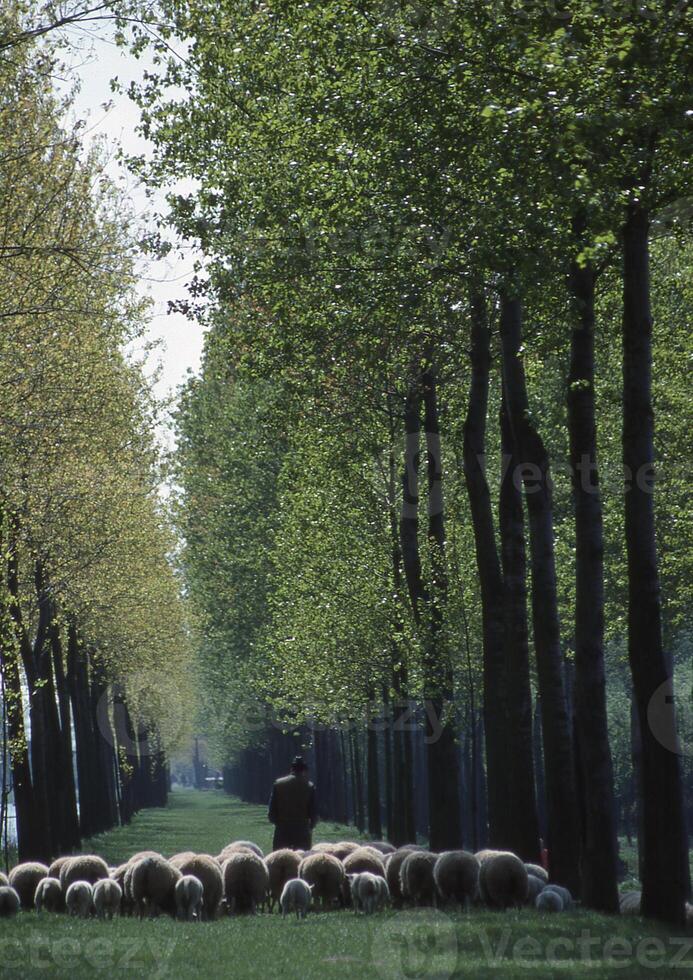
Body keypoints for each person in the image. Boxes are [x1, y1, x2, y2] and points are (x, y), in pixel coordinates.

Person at [268, 756, 317, 850]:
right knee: (301, 860)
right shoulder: (309, 786)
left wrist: (277, 823)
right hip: (302, 831)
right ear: (304, 770)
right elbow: (313, 811)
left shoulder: (278, 784)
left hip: (282, 830)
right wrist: (310, 826)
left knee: (281, 860)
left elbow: (272, 810)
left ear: (291, 768)